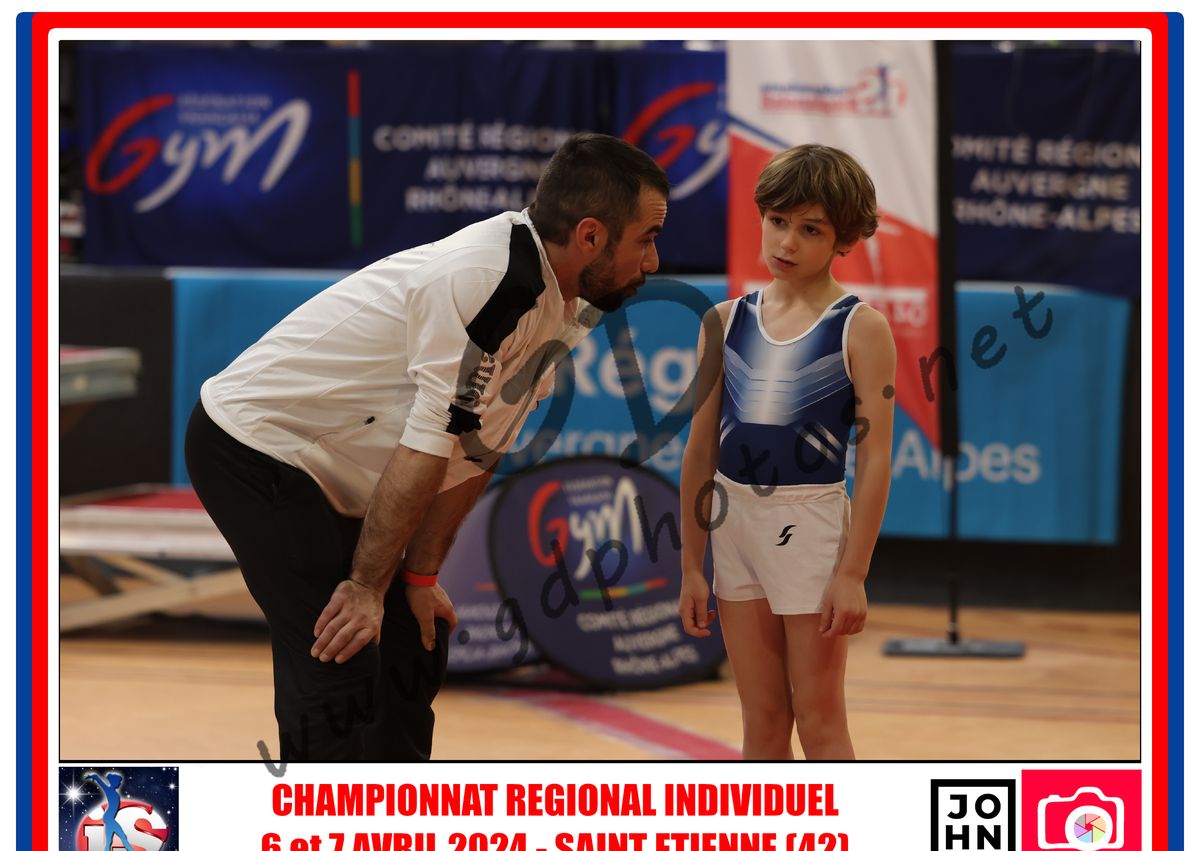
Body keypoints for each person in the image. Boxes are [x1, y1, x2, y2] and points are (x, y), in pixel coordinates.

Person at [186, 133, 669, 761]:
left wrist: (418, 576)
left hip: (343, 462)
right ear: (591, 236)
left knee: (416, 643)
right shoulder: (490, 283)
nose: (654, 260)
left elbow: (480, 448)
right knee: (340, 652)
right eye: (647, 238)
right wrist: (366, 587)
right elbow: (426, 446)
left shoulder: (573, 303)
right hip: (259, 448)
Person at [678, 144, 895, 760]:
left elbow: (876, 460)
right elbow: (700, 450)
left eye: (810, 230)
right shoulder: (723, 321)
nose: (787, 241)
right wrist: (692, 565)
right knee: (763, 723)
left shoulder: (860, 327)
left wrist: (852, 573)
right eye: (777, 221)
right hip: (734, 526)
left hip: (810, 525)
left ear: (843, 239)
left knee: (819, 721)